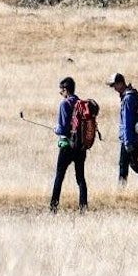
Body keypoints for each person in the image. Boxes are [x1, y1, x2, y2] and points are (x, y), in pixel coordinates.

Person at [50, 77, 88, 212]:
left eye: (61, 91)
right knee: (80, 178)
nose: (61, 94)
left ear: (65, 90)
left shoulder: (64, 104)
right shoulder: (81, 103)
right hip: (81, 146)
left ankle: (53, 207)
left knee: (59, 176)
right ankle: (83, 207)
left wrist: (56, 130)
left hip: (67, 145)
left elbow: (63, 128)